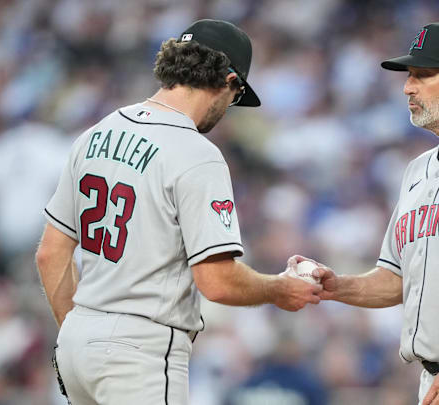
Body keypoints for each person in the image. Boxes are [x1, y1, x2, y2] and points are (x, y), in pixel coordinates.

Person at [35, 19, 322, 405]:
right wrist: (278, 289)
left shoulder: (97, 132)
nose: (229, 107)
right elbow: (217, 282)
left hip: (77, 341)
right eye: (236, 95)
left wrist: (80, 333)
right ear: (229, 80)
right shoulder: (196, 153)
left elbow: (50, 254)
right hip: (140, 351)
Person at [299, 22, 439, 405]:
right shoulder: (415, 170)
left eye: (424, 75)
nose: (408, 87)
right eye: (409, 76)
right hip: (437, 377)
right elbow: (396, 280)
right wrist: (335, 286)